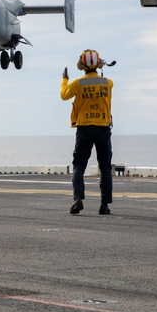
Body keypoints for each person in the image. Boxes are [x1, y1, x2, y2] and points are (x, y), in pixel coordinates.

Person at [60, 49, 114, 215]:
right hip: (103, 128)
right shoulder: (108, 83)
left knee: (79, 166)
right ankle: (104, 206)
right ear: (98, 64)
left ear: (81, 65)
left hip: (84, 128)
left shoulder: (78, 83)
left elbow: (64, 95)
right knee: (105, 168)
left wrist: (64, 79)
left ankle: (78, 199)